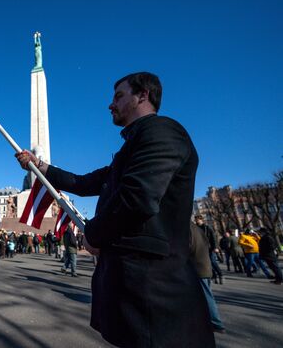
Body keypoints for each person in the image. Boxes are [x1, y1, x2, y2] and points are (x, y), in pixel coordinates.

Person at [16, 72, 214, 347]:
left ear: (143, 95)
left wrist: (94, 234)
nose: (111, 104)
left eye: (119, 96)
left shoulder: (162, 132)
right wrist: (39, 166)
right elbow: (83, 183)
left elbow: (139, 198)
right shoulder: (132, 146)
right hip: (137, 290)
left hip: (155, 291)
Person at [190, 221, 226, 333]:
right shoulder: (198, 229)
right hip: (205, 266)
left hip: (198, 268)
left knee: (206, 296)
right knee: (206, 295)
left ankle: (216, 323)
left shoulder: (187, 228)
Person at [195, 215, 224, 284]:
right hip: (201, 249)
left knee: (213, 262)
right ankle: (214, 276)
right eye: (196, 219)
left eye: (197, 219)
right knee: (207, 264)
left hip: (209, 248)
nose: (196, 221)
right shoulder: (195, 228)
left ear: (201, 220)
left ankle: (220, 274)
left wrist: (215, 247)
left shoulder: (207, 228)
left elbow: (213, 238)